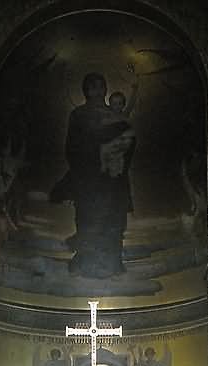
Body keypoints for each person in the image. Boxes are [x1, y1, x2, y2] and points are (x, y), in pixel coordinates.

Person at [50, 72, 135, 279]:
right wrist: (92, 156)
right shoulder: (78, 115)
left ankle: (112, 263)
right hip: (87, 179)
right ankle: (86, 261)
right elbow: (71, 147)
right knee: (88, 219)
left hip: (112, 179)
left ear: (106, 89)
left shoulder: (115, 113)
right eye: (93, 87)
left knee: (112, 221)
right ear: (86, 91)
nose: (97, 91)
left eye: (101, 86)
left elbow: (129, 140)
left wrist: (117, 154)